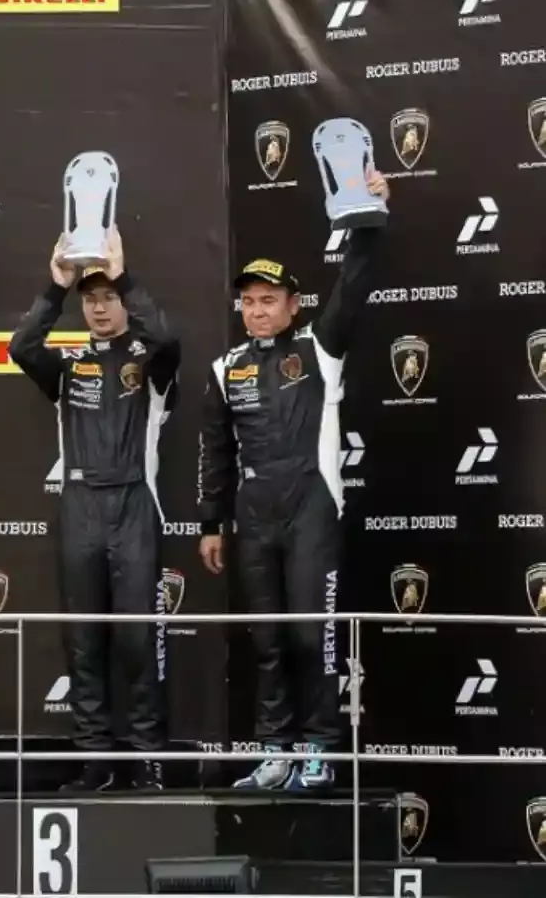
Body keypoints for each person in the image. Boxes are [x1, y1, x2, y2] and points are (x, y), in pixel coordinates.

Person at [198, 166, 390, 791]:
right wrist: (211, 522)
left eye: (268, 300)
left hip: (312, 509)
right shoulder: (225, 368)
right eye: (249, 301)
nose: (257, 311)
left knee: (313, 636)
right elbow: (215, 450)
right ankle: (275, 751)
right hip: (254, 513)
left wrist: (369, 219)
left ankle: (319, 750)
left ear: (292, 305)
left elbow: (353, 287)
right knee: (268, 641)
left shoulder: (319, 350)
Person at [8, 228, 179, 791]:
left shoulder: (151, 363)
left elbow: (167, 337)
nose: (100, 308)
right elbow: (21, 347)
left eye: (109, 297)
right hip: (79, 506)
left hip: (134, 504)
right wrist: (55, 287)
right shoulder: (68, 364)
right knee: (83, 642)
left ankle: (150, 762)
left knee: (137, 640)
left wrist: (125, 276)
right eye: (91, 299)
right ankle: (95, 763)